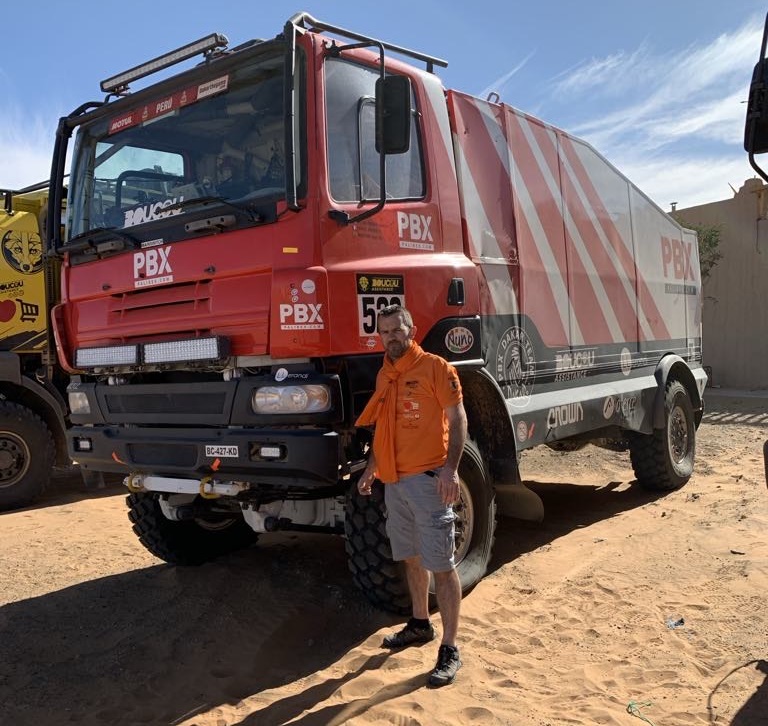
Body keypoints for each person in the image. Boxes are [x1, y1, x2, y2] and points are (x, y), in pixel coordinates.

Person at [356, 304, 468, 688]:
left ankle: (451, 647)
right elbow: (383, 427)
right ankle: (420, 622)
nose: (391, 337)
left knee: (441, 561)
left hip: (428, 479)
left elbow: (457, 419)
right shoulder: (385, 373)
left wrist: (451, 470)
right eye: (384, 332)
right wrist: (372, 467)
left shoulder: (436, 368)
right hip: (395, 481)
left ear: (412, 329)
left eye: (397, 330)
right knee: (411, 556)